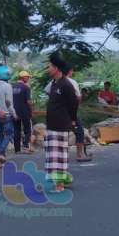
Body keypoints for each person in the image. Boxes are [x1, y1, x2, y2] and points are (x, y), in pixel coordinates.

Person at [44, 53, 79, 192]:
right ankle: (62, 181)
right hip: (51, 125)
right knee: (52, 157)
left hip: (61, 125)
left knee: (59, 157)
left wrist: (73, 120)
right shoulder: (54, 84)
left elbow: (74, 104)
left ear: (56, 68)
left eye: (50, 67)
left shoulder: (66, 84)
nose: (48, 69)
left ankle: (60, 185)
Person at [45, 66, 91, 161]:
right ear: (69, 71)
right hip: (69, 112)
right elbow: (78, 98)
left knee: (60, 133)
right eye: (72, 70)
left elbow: (48, 92)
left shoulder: (53, 82)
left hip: (56, 113)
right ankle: (80, 154)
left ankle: (58, 156)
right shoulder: (71, 82)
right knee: (79, 131)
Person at [12, 70, 34, 154]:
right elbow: (28, 101)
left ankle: (17, 149)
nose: (28, 79)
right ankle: (25, 146)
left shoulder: (12, 87)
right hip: (25, 112)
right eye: (27, 77)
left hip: (14, 112)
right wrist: (31, 111)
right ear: (23, 77)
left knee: (16, 130)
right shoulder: (26, 88)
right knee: (27, 130)